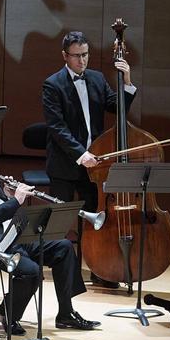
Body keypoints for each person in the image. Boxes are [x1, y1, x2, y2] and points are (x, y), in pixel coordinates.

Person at [0, 135, 97, 332]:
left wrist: (7, 195)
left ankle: (66, 313)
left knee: (63, 246)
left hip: (12, 237)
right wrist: (15, 201)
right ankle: (8, 314)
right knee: (30, 270)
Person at [41, 30, 137, 288]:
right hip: (65, 164)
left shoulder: (96, 78)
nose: (82, 61)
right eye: (76, 56)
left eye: (85, 55)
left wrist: (126, 82)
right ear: (65, 56)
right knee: (60, 220)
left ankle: (99, 269)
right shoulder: (53, 84)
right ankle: (64, 272)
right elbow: (57, 128)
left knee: (96, 219)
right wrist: (81, 154)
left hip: (93, 167)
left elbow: (116, 108)